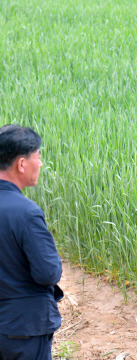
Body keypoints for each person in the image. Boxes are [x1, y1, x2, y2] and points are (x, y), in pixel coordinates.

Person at [0, 124, 63, 360]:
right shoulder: (25, 212)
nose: (42, 163)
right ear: (21, 163)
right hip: (22, 327)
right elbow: (47, 273)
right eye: (38, 156)